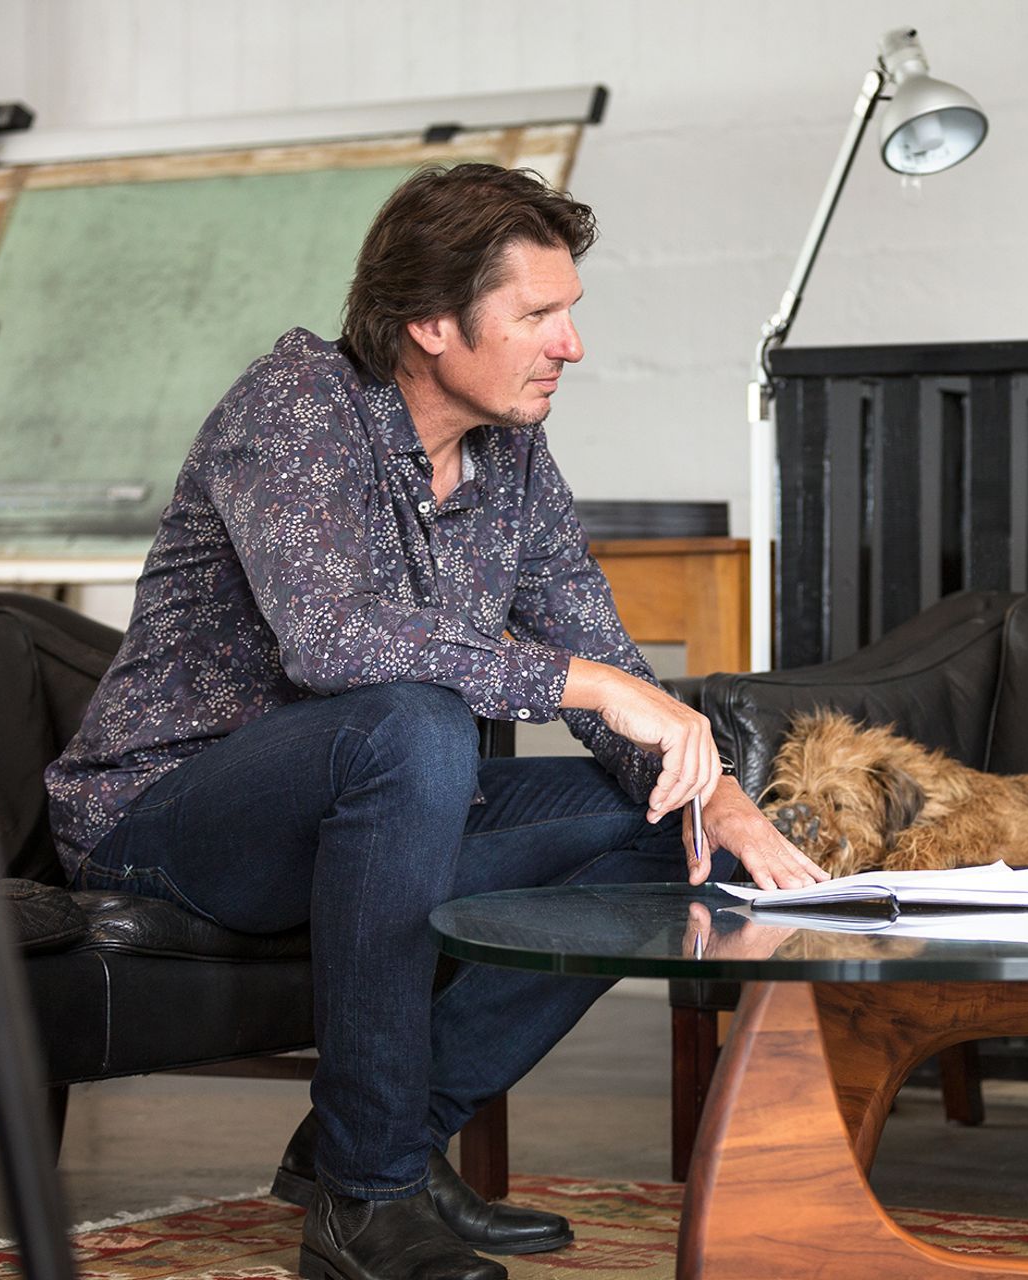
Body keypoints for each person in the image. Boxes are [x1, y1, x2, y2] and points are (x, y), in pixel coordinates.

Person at [45, 163, 829, 1280]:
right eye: (538, 316)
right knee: (412, 723)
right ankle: (365, 1205)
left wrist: (726, 801)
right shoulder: (297, 406)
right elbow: (333, 641)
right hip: (172, 819)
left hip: (381, 808)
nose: (571, 346)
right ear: (429, 323)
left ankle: (382, 1145)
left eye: (570, 312)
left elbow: (599, 649)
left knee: (673, 827)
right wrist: (593, 686)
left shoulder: (514, 455)